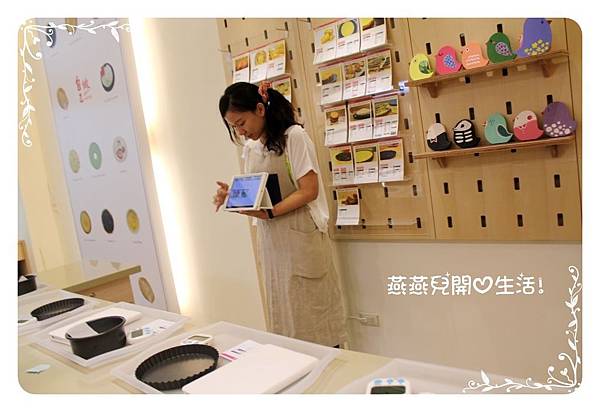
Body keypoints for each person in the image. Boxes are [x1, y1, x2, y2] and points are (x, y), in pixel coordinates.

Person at [213, 81, 346, 347]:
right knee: (284, 320)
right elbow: (259, 192)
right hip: (272, 241)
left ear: (260, 109)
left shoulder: (294, 136)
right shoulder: (252, 148)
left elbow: (309, 190)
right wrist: (233, 195)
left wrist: (272, 212)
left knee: (316, 321)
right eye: (234, 127)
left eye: (241, 123)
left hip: (300, 237)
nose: (240, 132)